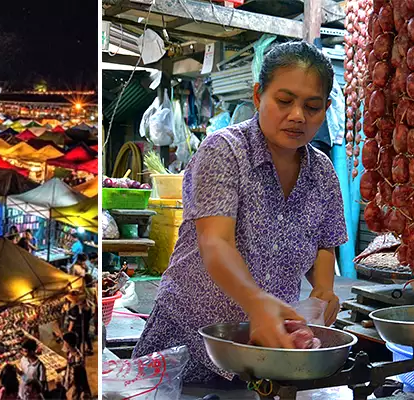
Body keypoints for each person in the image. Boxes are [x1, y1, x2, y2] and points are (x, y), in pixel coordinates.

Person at [132, 42, 348, 385]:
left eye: (312, 106)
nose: (297, 116)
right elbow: (215, 242)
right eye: (284, 100)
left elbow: (324, 241)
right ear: (258, 95)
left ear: (326, 109)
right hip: (188, 342)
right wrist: (257, 302)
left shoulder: (321, 172)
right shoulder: (225, 151)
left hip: (263, 350)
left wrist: (323, 289)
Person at [61, 332, 90, 399]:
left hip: (74, 386)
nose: (63, 344)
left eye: (64, 342)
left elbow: (76, 375)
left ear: (68, 343)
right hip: (68, 383)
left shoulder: (77, 358)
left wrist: (68, 385)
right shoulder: (69, 353)